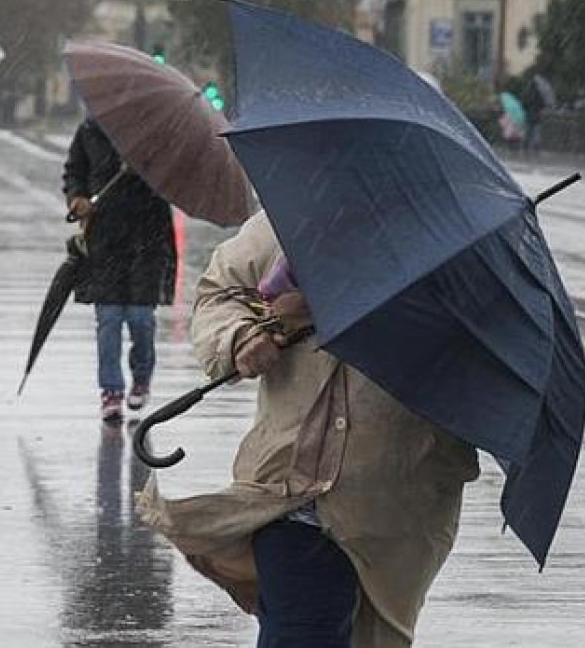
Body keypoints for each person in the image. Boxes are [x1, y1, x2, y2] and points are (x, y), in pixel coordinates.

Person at [137, 212, 480, 647]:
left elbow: (484, 360)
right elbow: (220, 294)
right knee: (301, 630)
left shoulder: (455, 240)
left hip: (399, 499)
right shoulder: (291, 219)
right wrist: (244, 335)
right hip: (291, 488)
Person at [63, 118, 177, 424]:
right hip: (104, 240)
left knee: (141, 320)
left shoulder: (155, 133)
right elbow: (75, 171)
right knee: (109, 319)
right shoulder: (90, 130)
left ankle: (142, 377)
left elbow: (173, 176)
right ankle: (111, 391)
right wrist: (78, 197)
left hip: (147, 240)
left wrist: (143, 168)